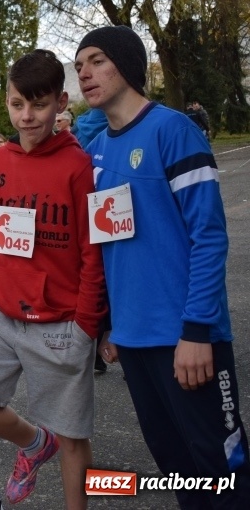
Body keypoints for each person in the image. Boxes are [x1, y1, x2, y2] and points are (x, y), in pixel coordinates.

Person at [76, 25, 250, 508]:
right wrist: (109, 324)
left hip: (188, 338)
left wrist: (196, 331)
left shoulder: (174, 130)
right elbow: (107, 244)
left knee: (222, 470)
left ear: (126, 63)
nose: (85, 73)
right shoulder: (97, 151)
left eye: (95, 60)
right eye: (79, 67)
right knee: (179, 470)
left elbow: (209, 237)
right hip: (132, 340)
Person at [0, 49, 106, 510]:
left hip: (60, 319)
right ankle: (35, 444)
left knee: (74, 435)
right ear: (7, 101)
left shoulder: (79, 166)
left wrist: (86, 323)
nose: (27, 116)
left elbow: (92, 252)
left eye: (38, 105)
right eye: (18, 104)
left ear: (60, 103)